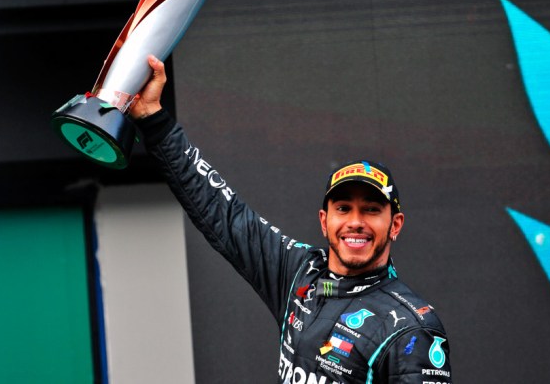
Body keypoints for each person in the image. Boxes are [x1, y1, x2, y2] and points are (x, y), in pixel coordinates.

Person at [130, 55, 452, 383]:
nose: (356, 222)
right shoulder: (300, 273)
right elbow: (222, 212)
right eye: (343, 208)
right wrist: (153, 119)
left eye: (371, 209)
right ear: (324, 221)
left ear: (395, 225)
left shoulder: (412, 330)